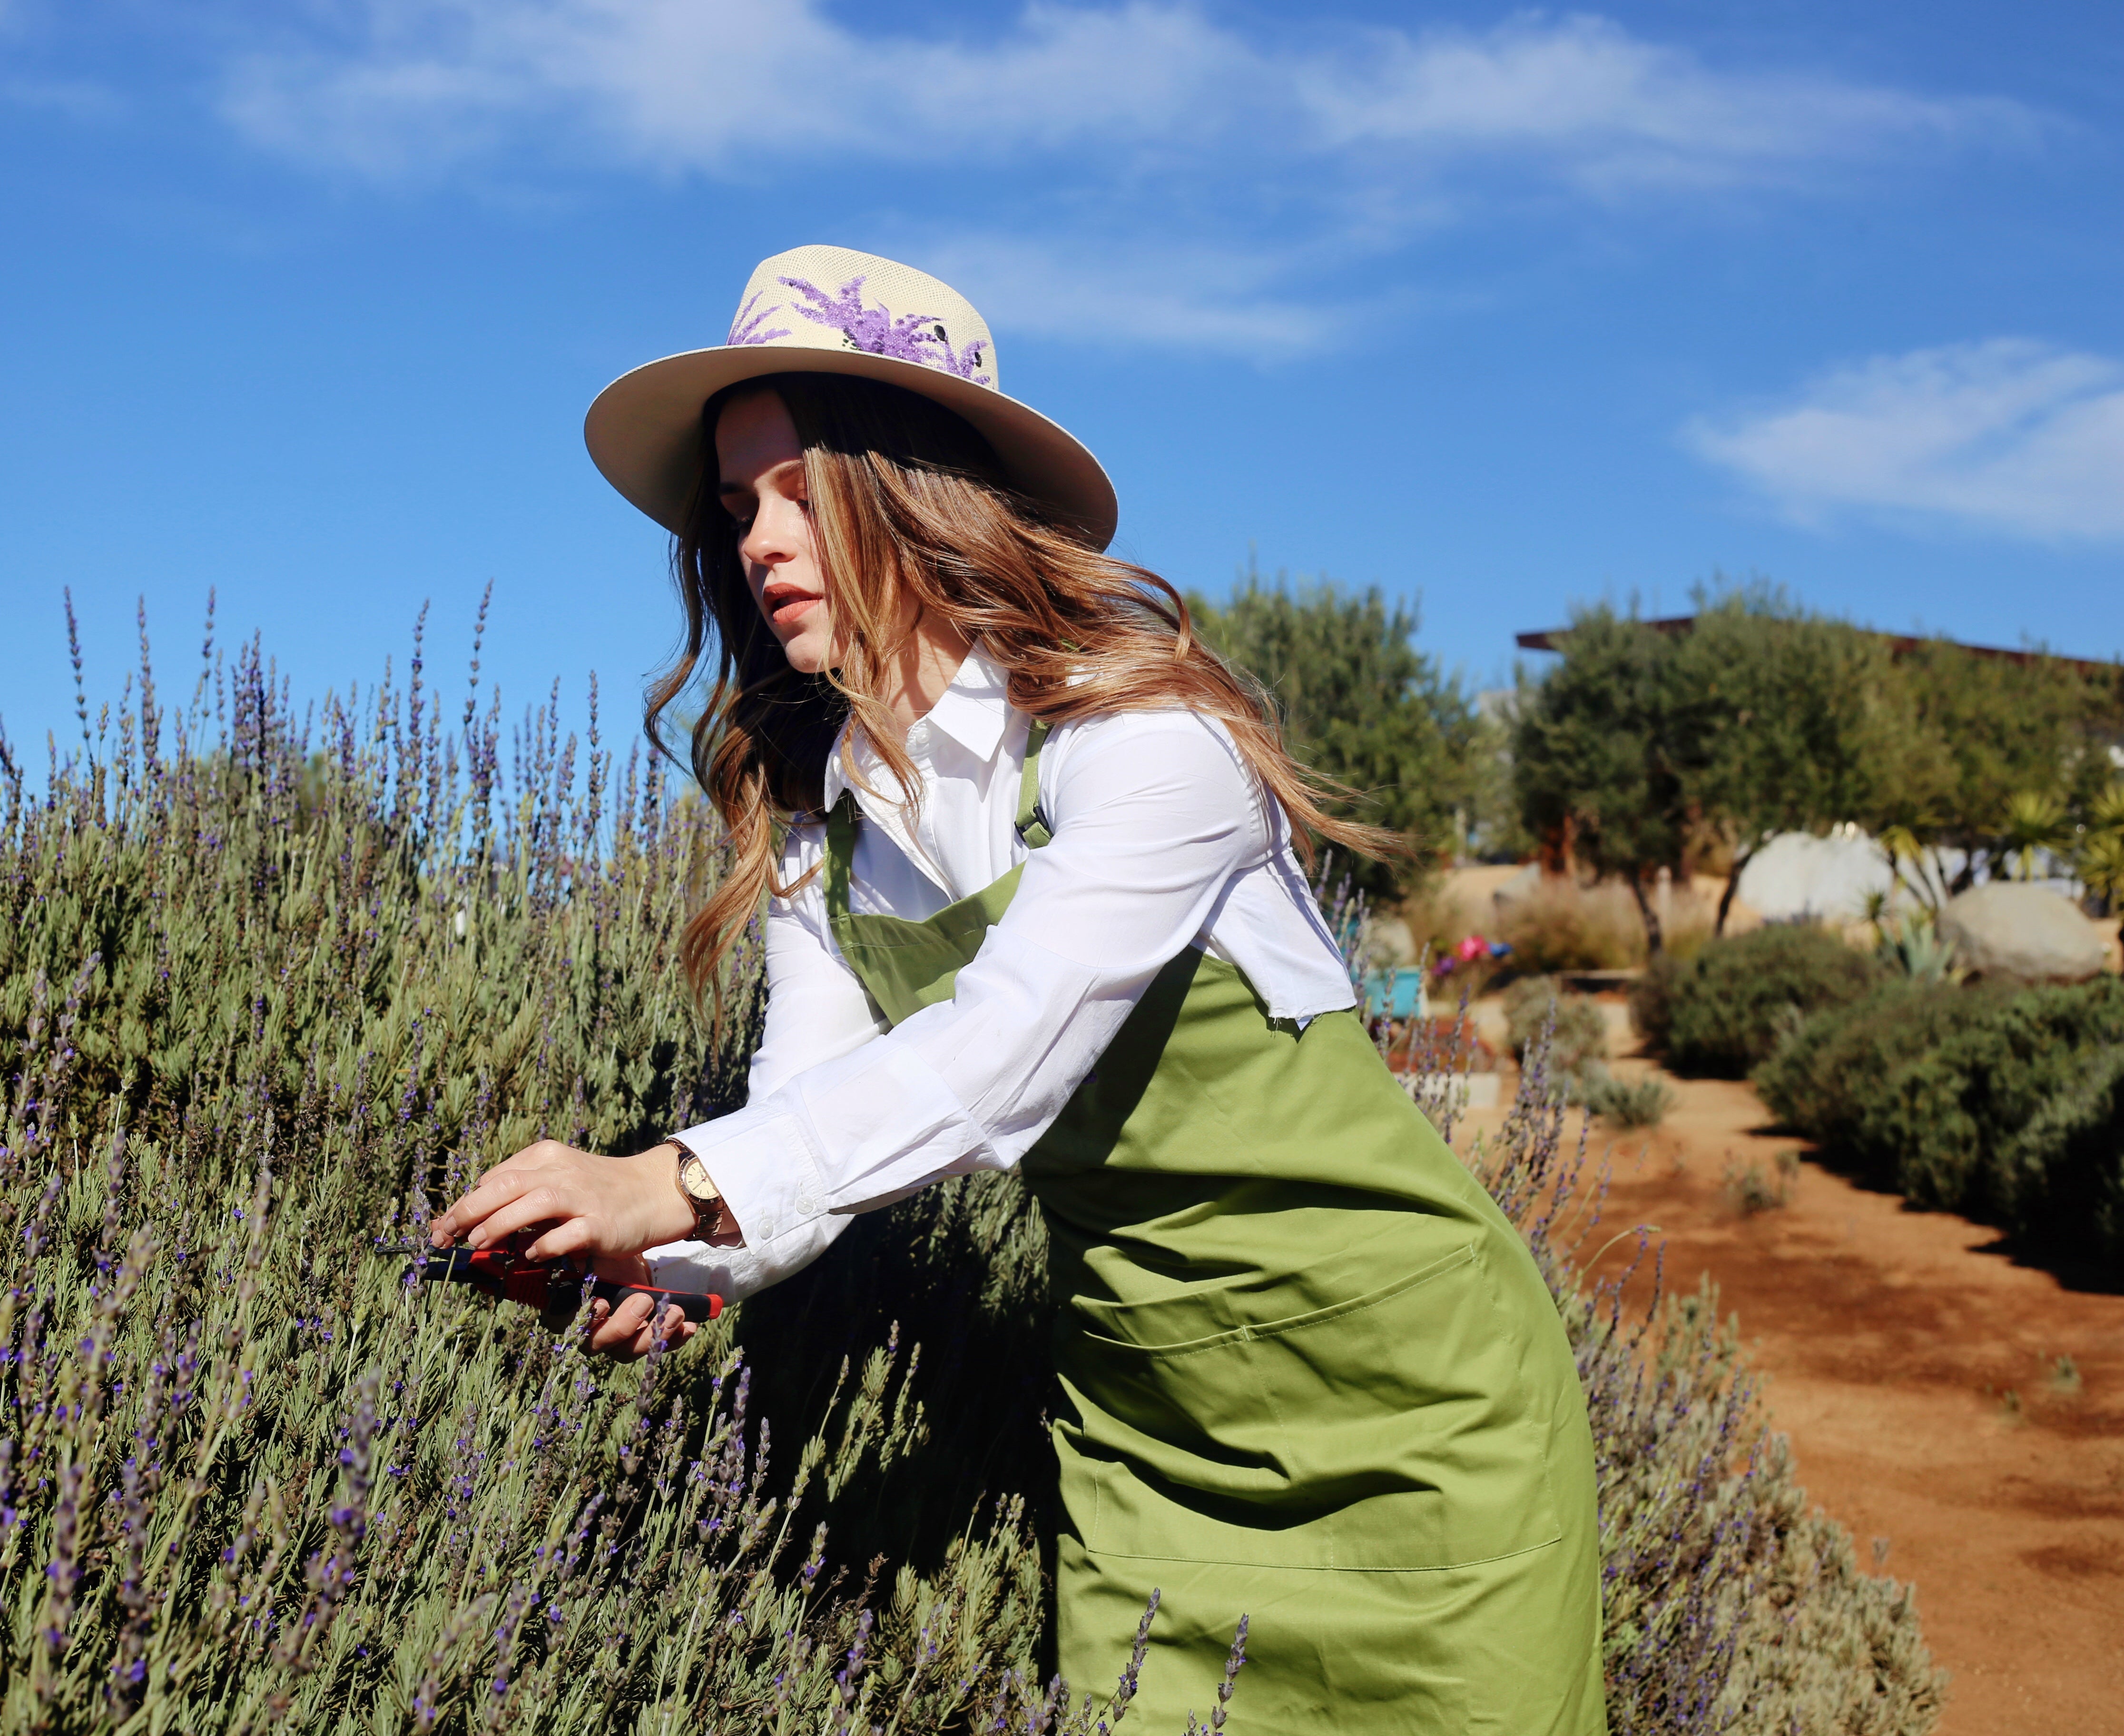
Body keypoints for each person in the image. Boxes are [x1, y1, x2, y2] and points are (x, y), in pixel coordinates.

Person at [429, 245, 1605, 1733]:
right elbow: (814, 1109)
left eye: (801, 492)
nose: (761, 544)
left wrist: (666, 1179)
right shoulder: (821, 831)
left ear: (917, 493)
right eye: (737, 508)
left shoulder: (1151, 743)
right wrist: (688, 1271)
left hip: (1420, 1412)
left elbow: (999, 1062)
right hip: (1148, 1434)